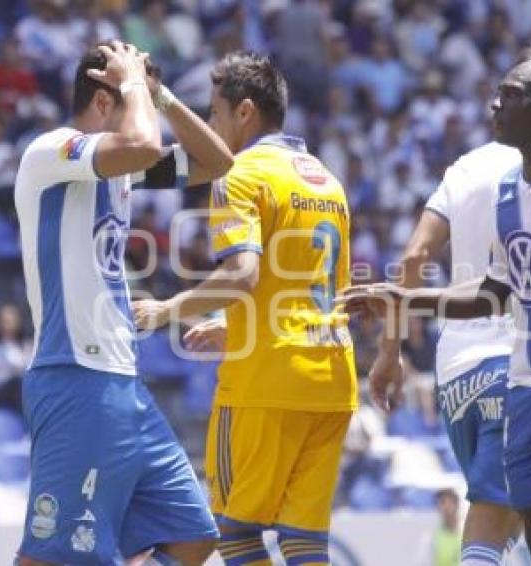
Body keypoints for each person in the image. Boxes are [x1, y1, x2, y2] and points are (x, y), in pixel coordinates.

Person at [339, 58, 531, 565]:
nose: (494, 105)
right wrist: (403, 299)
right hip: (523, 388)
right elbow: (491, 294)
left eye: (510, 95)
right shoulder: (507, 191)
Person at [132, 51, 357, 566]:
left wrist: (164, 310)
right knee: (303, 541)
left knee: (234, 532)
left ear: (245, 112)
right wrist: (234, 330)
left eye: (213, 112)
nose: (211, 125)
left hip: (267, 383)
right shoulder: (326, 180)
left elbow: (242, 274)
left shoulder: (240, 174)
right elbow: (307, 292)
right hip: (332, 379)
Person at [14, 40, 232, 565]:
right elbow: (137, 145)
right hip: (74, 373)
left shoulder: (123, 169)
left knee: (193, 534)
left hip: (122, 382)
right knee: (52, 555)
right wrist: (133, 86)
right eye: (131, 94)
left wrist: (163, 98)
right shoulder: (54, 150)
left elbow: (217, 160)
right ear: (105, 101)